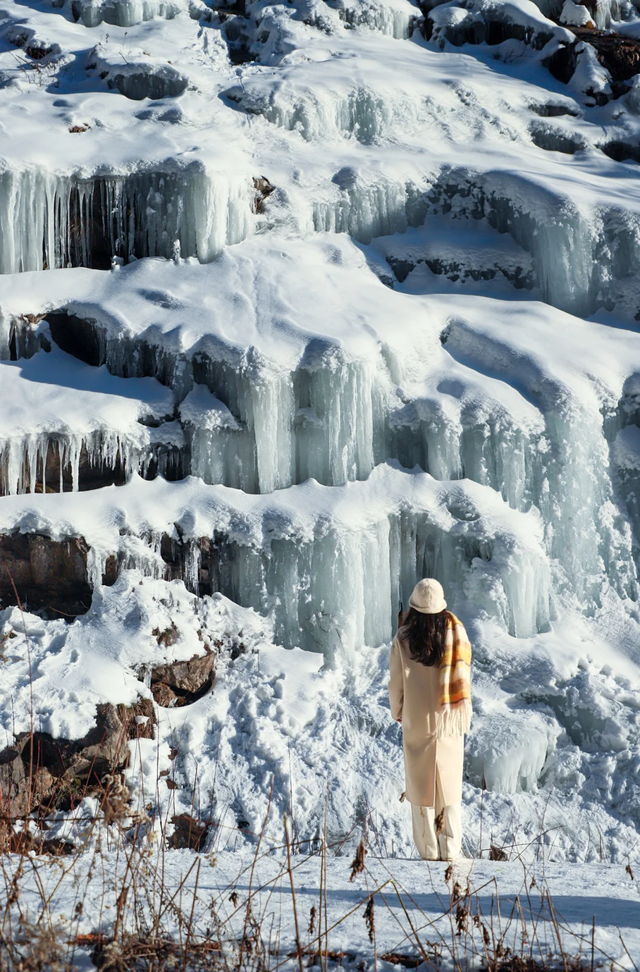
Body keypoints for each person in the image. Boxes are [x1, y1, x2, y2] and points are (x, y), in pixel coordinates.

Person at [388, 578, 472, 861]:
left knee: (420, 788)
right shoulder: (455, 634)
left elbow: (396, 683)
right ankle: (450, 849)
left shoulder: (403, 638)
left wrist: (397, 710)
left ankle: (428, 850)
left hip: (416, 719)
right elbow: (465, 675)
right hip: (447, 720)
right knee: (447, 788)